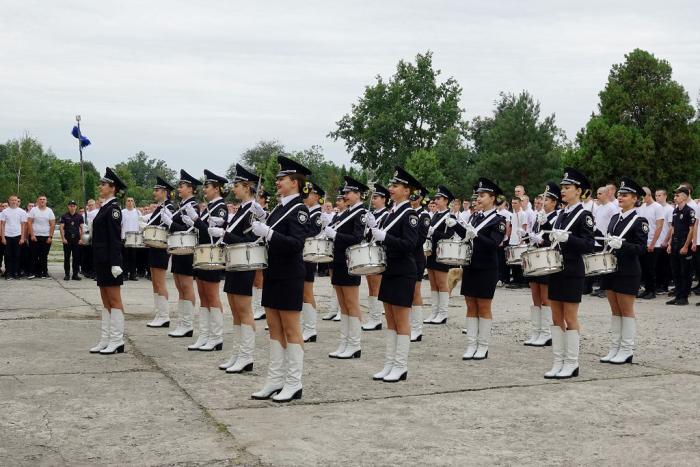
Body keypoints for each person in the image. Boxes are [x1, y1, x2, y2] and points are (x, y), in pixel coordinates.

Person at [250, 156, 311, 402]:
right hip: (273, 272)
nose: (277, 182)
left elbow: (296, 244)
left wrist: (268, 232)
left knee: (291, 328)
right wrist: (263, 222)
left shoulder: (300, 210)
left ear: (295, 182)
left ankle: (294, 382)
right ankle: (275, 379)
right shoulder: (279, 208)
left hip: (289, 274)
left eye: (282, 179)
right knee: (274, 327)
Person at [543, 168, 595, 379]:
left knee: (570, 317)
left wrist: (569, 239)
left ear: (578, 191)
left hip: (573, 270)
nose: (563, 191)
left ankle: (572, 363)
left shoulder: (585, 215)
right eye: (562, 187)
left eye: (567, 187)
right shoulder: (561, 214)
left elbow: (589, 244)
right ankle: (558, 361)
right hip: (556, 269)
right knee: (556, 317)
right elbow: (552, 240)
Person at [370, 166, 420, 382]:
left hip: (403, 272)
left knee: (401, 320)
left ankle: (400, 366)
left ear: (407, 191)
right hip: (389, 270)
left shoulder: (410, 214)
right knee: (390, 320)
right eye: (391, 185)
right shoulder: (392, 212)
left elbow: (410, 244)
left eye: (396, 185)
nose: (391, 188)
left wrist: (385, 237)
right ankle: (389, 364)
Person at [450, 178, 507, 361]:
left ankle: (483, 346)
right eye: (478, 196)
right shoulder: (475, 217)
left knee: (483, 306)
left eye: (483, 195)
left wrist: (476, 236)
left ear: (493, 198)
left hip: (487, 268)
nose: (479, 199)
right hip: (471, 265)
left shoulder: (499, 220)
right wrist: (455, 225)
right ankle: (471, 344)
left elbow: (494, 244)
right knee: (470, 305)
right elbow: (468, 236)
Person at [213, 164, 261, 373]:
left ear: (247, 187)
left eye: (237, 186)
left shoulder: (252, 210)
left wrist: (225, 235)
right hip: (233, 262)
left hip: (244, 263)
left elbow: (249, 240)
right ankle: (237, 353)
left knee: (244, 310)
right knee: (235, 310)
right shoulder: (241, 209)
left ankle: (247, 356)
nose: (234, 189)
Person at [599, 177, 648, 364]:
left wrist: (623, 245)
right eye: (619, 194)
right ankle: (615, 347)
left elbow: (641, 249)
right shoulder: (615, 218)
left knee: (626, 310)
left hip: (628, 270)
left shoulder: (639, 221)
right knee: (615, 310)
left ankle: (626, 349)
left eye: (625, 195)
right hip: (612, 268)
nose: (620, 197)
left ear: (635, 198)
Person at [183, 170, 229, 351]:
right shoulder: (210, 206)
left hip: (212, 255)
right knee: (203, 295)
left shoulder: (221, 207)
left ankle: (216, 336)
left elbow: (212, 233)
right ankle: (204, 335)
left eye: (208, 186)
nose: (205, 190)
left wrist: (195, 219)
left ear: (217, 189)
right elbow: (203, 230)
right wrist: (193, 222)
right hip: (202, 254)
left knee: (212, 295)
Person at [325, 176, 368, 359]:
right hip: (339, 260)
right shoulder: (346, 212)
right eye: (345, 192)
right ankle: (344, 342)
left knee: (351, 303)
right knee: (343, 304)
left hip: (350, 261)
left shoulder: (361, 213)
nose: (345, 195)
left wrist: (335, 235)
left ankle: (355, 344)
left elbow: (357, 238)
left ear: (358, 194)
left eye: (349, 192)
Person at [89, 168, 128, 354]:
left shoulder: (113, 210)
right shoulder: (104, 207)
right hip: (101, 259)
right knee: (105, 301)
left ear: (113, 188)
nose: (101, 186)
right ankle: (106, 339)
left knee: (114, 299)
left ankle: (117, 340)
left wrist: (116, 263)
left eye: (104, 184)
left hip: (110, 261)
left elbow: (115, 238)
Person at [160, 170, 202, 338]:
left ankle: (188, 324)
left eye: (182, 186)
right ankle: (182, 322)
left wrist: (170, 223)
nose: (179, 188)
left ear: (190, 188)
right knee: (179, 285)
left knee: (186, 286)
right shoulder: (182, 205)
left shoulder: (192, 206)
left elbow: (189, 230)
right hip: (178, 249)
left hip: (186, 249)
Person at [523, 182, 560, 347]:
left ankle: (546, 333)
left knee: (545, 298)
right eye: (542, 200)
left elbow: (555, 240)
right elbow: (535, 235)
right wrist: (528, 236)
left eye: (547, 200)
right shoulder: (539, 216)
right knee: (535, 296)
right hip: (535, 257)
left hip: (547, 258)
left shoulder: (557, 217)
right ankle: (536, 331)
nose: (543, 203)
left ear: (554, 202)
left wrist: (543, 240)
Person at [144, 177, 176, 329]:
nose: (154, 192)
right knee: (155, 281)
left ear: (164, 192)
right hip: (154, 246)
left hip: (161, 247)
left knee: (159, 282)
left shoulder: (168, 207)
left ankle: (164, 316)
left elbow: (169, 227)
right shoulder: (159, 207)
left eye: (157, 190)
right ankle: (159, 313)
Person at [423, 185, 456, 324]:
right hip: (432, 252)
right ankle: (434, 312)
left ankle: (443, 313)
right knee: (433, 284)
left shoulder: (450, 216)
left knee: (442, 283)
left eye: (439, 198)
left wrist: (434, 232)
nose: (435, 201)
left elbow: (449, 235)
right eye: (435, 198)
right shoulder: (436, 215)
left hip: (442, 253)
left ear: (446, 200)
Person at [300, 182, 325, 342]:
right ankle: (306, 326)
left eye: (308, 194)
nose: (305, 197)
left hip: (309, 256)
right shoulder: (308, 212)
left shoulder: (317, 215)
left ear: (316, 197)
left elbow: (311, 233)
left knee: (307, 292)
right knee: (302, 292)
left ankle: (310, 329)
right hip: (303, 255)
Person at [363, 184, 390, 331]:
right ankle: (373, 317)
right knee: (370, 286)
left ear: (384, 199)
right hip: (370, 252)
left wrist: (373, 225)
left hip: (379, 253)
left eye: (376, 197)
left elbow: (383, 235)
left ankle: (376, 319)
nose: (373, 200)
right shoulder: (372, 213)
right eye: (372, 197)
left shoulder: (387, 214)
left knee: (375, 287)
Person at [665, 185, 695, 306]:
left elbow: (691, 230)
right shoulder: (675, 211)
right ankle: (677, 296)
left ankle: (684, 297)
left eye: (677, 195)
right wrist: (669, 244)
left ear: (684, 197)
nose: (675, 198)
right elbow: (673, 228)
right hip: (675, 243)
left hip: (684, 243)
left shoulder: (689, 211)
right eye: (675, 195)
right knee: (676, 271)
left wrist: (686, 246)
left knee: (685, 272)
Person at [321, 190, 347, 321]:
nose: (337, 202)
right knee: (334, 282)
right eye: (337, 200)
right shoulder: (337, 215)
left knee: (342, 284)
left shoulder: (347, 215)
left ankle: (341, 310)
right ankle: (333, 309)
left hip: (343, 254)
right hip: (334, 252)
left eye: (340, 200)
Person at [637, 187, 665, 299]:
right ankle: (647, 289)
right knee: (644, 268)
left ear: (648, 195)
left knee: (651, 269)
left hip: (654, 243)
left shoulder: (657, 207)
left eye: (643, 196)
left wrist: (653, 243)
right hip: (643, 242)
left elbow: (659, 226)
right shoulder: (642, 207)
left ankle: (652, 291)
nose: (642, 199)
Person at [409, 185, 430, 342]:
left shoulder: (424, 215)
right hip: (406, 256)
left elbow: (420, 239)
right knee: (406, 292)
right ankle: (409, 325)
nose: (412, 199)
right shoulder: (408, 212)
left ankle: (417, 329)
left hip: (416, 257)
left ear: (421, 198)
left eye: (415, 196)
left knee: (415, 292)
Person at [252, 190, 271, 321]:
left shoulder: (267, 214)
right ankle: (256, 307)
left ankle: (260, 308)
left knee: (259, 279)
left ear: (264, 199)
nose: (256, 199)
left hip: (261, 247)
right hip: (254, 246)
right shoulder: (253, 213)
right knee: (254, 279)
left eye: (258, 197)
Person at [26, 195, 55, 279]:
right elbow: (29, 223)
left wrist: (50, 237)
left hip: (46, 236)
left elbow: (52, 224)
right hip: (35, 236)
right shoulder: (33, 210)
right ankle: (33, 272)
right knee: (33, 255)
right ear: (38, 201)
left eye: (44, 199)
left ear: (46, 201)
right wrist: (32, 235)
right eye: (40, 199)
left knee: (44, 255)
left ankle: (44, 272)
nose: (42, 201)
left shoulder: (49, 211)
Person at [1, 196, 28, 280]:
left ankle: (16, 272)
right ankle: (8, 273)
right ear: (9, 201)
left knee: (17, 255)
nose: (13, 201)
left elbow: (23, 225)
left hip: (18, 235)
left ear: (17, 201)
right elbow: (2, 225)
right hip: (7, 236)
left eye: (15, 200)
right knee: (8, 255)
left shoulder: (22, 212)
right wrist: (3, 237)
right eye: (12, 200)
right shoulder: (4, 212)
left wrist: (22, 238)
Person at [59, 200, 84, 281]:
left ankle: (75, 274)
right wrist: (63, 238)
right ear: (68, 206)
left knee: (76, 258)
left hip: (76, 239)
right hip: (67, 239)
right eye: (70, 206)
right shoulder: (64, 216)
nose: (72, 207)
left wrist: (81, 239)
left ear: (76, 207)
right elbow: (61, 228)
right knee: (67, 257)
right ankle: (67, 274)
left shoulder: (79, 216)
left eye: (74, 206)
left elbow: (82, 228)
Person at [655, 189, 674, 293]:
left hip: (664, 241)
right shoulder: (656, 208)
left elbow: (671, 227)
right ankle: (658, 284)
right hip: (656, 242)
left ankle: (664, 286)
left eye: (659, 195)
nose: (657, 197)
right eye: (656, 195)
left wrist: (668, 241)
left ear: (665, 196)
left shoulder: (669, 209)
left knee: (665, 265)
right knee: (657, 265)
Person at [121, 197, 141, 281]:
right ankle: (124, 274)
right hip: (124, 237)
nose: (130, 202)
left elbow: (140, 224)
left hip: (134, 238)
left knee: (133, 257)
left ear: (134, 202)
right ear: (126, 203)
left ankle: (133, 274)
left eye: (131, 201)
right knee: (124, 257)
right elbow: (120, 224)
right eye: (128, 201)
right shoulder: (122, 212)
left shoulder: (137, 212)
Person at [81, 199, 98, 279]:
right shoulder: (84, 215)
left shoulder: (97, 213)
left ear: (95, 205)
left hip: (95, 235)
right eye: (89, 205)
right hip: (86, 235)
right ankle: (86, 270)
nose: (91, 206)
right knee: (86, 254)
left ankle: (93, 271)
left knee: (93, 254)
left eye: (92, 205)